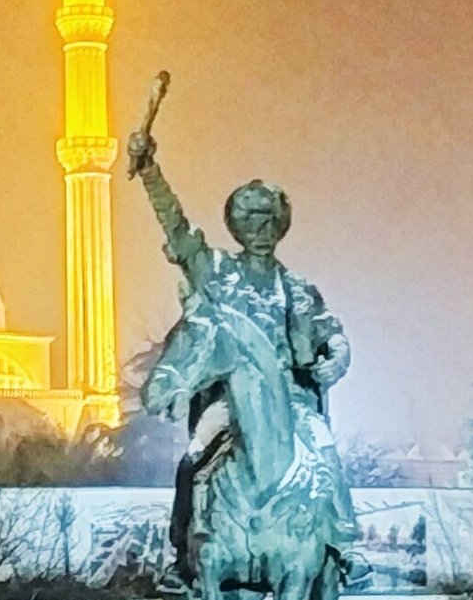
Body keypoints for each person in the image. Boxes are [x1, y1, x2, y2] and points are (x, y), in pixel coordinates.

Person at [124, 118, 361, 572]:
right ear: (235, 225)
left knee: (324, 447)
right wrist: (150, 170)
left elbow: (334, 335)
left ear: (280, 226)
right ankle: (182, 555)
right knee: (195, 458)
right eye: (250, 219)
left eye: (268, 219)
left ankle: (346, 544)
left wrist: (337, 359)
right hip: (229, 400)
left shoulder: (297, 288)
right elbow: (178, 231)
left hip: (291, 403)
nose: (260, 228)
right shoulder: (218, 273)